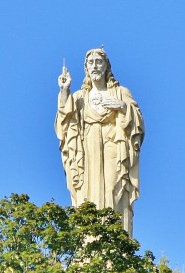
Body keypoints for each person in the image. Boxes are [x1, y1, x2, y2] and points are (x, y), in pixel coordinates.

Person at [55, 48, 145, 235]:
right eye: (91, 62)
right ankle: (89, 244)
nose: (95, 66)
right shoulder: (80, 97)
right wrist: (64, 92)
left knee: (114, 189)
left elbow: (137, 125)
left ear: (106, 66)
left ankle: (115, 241)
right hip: (87, 153)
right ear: (86, 68)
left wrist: (122, 107)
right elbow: (64, 124)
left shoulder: (120, 93)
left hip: (113, 149)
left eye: (99, 61)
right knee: (87, 196)